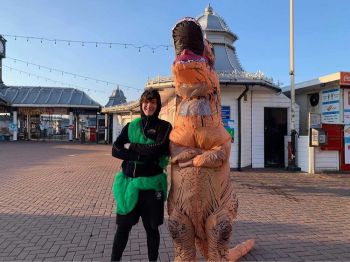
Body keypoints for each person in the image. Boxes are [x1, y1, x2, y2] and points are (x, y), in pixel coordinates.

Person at [111, 88, 172, 262]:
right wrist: (139, 156)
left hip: (152, 188)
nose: (148, 105)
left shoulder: (164, 127)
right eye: (146, 101)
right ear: (141, 104)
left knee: (151, 228)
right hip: (129, 186)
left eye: (153, 102)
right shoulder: (131, 126)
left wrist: (131, 146)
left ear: (158, 105)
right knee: (122, 228)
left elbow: (158, 149)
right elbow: (115, 149)